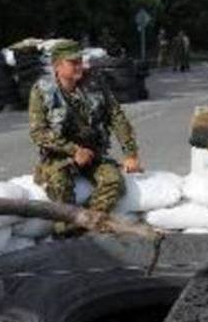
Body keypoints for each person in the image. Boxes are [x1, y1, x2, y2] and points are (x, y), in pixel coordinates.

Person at [29, 40, 143, 234]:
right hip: (60, 155)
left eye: (80, 61)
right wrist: (73, 151)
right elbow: (38, 132)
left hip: (94, 153)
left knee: (113, 181)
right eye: (73, 62)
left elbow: (116, 116)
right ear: (57, 66)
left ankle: (81, 226)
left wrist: (130, 153)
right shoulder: (42, 90)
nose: (80, 66)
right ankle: (63, 232)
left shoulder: (95, 84)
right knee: (59, 184)